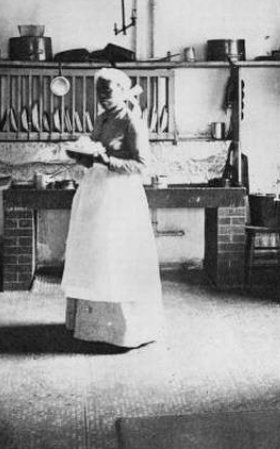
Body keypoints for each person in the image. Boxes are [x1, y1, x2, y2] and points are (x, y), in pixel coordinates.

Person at [62, 67, 163, 348]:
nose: (103, 96)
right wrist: (80, 156)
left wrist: (108, 161)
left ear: (121, 91)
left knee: (117, 257)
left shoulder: (132, 121)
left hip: (121, 198)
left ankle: (124, 332)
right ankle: (92, 328)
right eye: (99, 91)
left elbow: (143, 165)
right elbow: (94, 155)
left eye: (108, 90)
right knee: (95, 256)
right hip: (96, 193)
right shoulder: (101, 119)